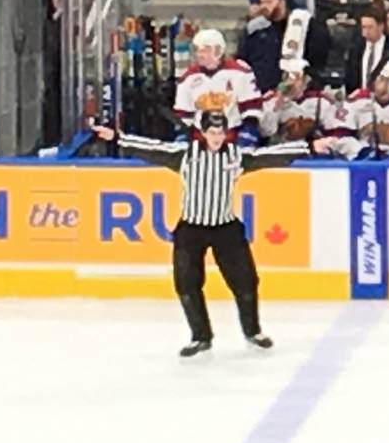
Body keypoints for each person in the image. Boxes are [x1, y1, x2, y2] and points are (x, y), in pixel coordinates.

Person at [92, 109, 308, 355]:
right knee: (186, 284)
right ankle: (200, 336)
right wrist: (118, 138)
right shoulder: (185, 155)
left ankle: (252, 331)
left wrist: (307, 147)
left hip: (225, 228)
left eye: (220, 132)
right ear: (203, 133)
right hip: (191, 229)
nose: (217, 137)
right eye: (212, 132)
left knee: (246, 281)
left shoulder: (236, 156)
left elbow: (268, 156)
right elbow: (152, 149)